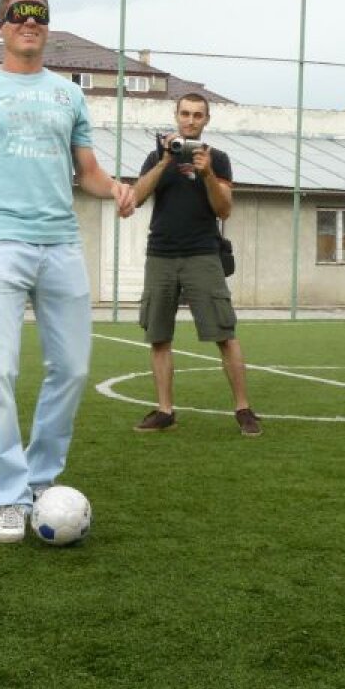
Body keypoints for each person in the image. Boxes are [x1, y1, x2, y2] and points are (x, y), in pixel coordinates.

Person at [0, 0, 136, 543]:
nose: (29, 22)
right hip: (0, 245)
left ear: (47, 27)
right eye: (19, 15)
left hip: (61, 245)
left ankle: (40, 480)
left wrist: (115, 188)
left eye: (38, 15)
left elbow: (86, 171)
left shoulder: (70, 95)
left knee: (72, 370)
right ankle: (9, 498)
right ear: (1, 25)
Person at [130, 93, 262, 438]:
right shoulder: (155, 156)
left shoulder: (218, 158)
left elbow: (224, 210)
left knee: (224, 333)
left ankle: (243, 409)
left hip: (203, 254)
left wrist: (206, 174)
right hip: (160, 254)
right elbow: (137, 197)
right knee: (158, 335)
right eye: (185, 114)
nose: (190, 120)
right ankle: (165, 410)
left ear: (206, 120)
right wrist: (162, 161)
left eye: (197, 115)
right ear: (176, 116)